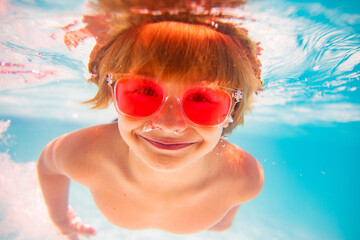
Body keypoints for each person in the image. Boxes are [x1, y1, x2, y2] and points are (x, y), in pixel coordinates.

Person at [37, 1, 264, 239]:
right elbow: (48, 163)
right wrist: (61, 218)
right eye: (144, 92)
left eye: (202, 100)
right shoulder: (87, 154)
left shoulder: (243, 177)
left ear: (232, 110)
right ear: (113, 94)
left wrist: (222, 221)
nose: (169, 125)